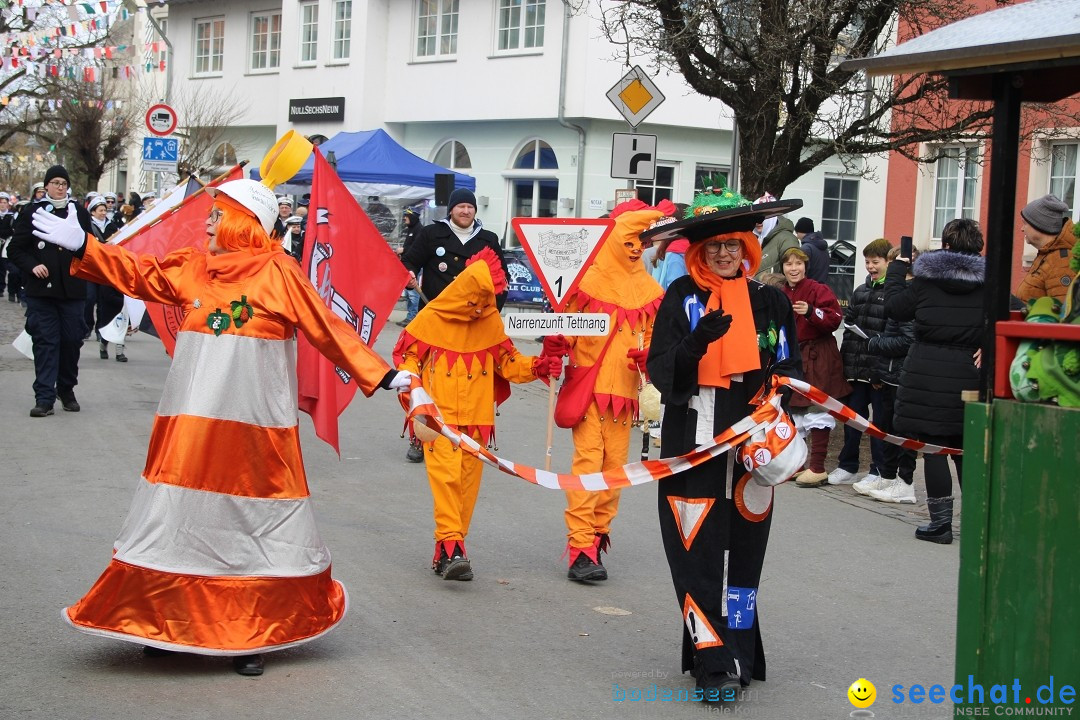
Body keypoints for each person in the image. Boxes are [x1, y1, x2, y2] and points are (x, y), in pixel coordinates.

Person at [31, 178, 411, 676]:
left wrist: (381, 373)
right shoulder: (193, 268)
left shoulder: (279, 271)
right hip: (188, 422)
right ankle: (164, 620)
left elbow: (326, 325)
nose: (207, 224)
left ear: (241, 222)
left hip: (255, 427)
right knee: (177, 516)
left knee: (248, 524)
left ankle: (248, 632)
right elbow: (137, 272)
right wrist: (85, 246)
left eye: (216, 216)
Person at [644, 190, 802, 699]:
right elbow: (662, 372)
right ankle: (712, 661)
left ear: (747, 247)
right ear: (698, 252)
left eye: (733, 245)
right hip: (694, 448)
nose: (725, 254)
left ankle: (740, 646)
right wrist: (696, 342)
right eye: (714, 247)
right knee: (697, 553)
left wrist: (776, 413)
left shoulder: (771, 300)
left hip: (753, 451)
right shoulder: (681, 298)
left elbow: (790, 368)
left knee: (747, 555)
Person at [393, 248, 562, 581]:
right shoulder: (430, 318)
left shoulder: (490, 323)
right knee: (446, 481)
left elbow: (511, 364)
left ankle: (448, 550)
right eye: (479, 299)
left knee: (466, 488)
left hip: (478, 422)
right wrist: (414, 387)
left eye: (489, 300)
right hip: (438, 421)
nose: (484, 307)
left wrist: (541, 364)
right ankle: (454, 546)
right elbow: (408, 358)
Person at [557, 201, 666, 582]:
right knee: (587, 467)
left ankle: (598, 536)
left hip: (625, 397)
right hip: (590, 393)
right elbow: (569, 328)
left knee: (614, 472)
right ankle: (580, 548)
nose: (638, 247)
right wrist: (557, 345)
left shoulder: (650, 291)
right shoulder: (585, 283)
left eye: (643, 240)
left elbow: (654, 339)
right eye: (631, 238)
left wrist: (649, 356)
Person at [884, 219, 984, 543]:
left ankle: (940, 525)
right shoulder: (989, 285)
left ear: (946, 246)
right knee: (965, 448)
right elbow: (1015, 313)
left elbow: (895, 308)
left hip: (927, 373)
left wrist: (898, 270)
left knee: (935, 448)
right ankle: (979, 525)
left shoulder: (926, 282)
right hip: (970, 373)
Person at [399, 188, 508, 462]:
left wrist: (491, 315)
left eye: (470, 207)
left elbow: (501, 282)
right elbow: (408, 262)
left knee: (468, 382)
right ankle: (420, 436)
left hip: (474, 325)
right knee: (427, 382)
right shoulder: (432, 234)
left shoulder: (488, 240)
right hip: (435, 322)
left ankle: (467, 434)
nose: (465, 211)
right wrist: (409, 275)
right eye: (460, 206)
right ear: (451, 210)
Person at [8, 165, 93, 417]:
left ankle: (66, 389)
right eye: (55, 182)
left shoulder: (78, 212)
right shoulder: (32, 212)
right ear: (46, 186)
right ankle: (44, 397)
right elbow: (16, 249)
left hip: (72, 290)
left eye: (63, 183)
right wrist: (33, 265)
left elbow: (90, 246)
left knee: (71, 341)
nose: (59, 187)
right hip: (41, 292)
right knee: (45, 342)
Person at [778, 247, 851, 488]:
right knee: (796, 411)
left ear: (805, 267)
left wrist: (811, 311)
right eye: (789, 264)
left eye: (798, 264)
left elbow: (834, 319)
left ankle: (817, 467)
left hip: (819, 355)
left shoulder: (819, 290)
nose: (794, 268)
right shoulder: (781, 292)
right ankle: (799, 466)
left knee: (818, 410)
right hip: (794, 357)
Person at [858, 245, 918, 503]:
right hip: (888, 373)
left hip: (903, 375)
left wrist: (875, 343)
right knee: (886, 428)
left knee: (904, 431)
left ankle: (905, 482)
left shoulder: (909, 296)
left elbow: (906, 340)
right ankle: (888, 476)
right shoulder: (899, 295)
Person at [830, 238, 891, 486]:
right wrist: (844, 365)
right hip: (855, 369)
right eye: (867, 262)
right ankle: (848, 465)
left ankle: (877, 470)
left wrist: (879, 370)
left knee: (878, 424)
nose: (870, 267)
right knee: (852, 419)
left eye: (875, 262)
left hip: (877, 373)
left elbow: (891, 336)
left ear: (889, 262)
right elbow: (849, 329)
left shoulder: (894, 294)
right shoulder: (860, 291)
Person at [84, 196, 126, 361]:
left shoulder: (112, 225)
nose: (103, 212)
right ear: (93, 211)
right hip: (91, 269)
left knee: (105, 303)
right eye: (100, 210)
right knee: (89, 298)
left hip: (107, 270)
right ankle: (88, 325)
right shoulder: (87, 226)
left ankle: (101, 332)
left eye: (105, 210)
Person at [1014, 193, 1075, 304]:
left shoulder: (1062, 262)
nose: (1022, 229)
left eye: (1025, 223)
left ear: (1039, 225)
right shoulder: (1046, 255)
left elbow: (1061, 312)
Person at [753, 194, 800, 280]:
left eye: (762, 217)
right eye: (754, 217)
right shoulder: (758, 239)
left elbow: (794, 276)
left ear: (772, 217)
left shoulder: (787, 239)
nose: (757, 222)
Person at [397, 207, 423, 327]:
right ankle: (410, 315)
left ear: (413, 217)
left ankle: (413, 316)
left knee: (413, 293)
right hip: (408, 265)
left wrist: (404, 250)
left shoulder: (419, 230)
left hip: (414, 265)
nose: (404, 218)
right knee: (408, 294)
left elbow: (417, 248)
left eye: (407, 216)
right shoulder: (411, 229)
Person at [793, 217, 830, 284]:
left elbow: (802, 272)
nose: (797, 236)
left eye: (797, 232)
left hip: (809, 288)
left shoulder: (806, 248)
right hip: (821, 288)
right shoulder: (823, 247)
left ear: (801, 231)